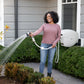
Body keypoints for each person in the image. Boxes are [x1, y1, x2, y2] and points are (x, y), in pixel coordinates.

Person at [29, 11, 61, 77]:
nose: (47, 18)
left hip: (52, 46)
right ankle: (40, 75)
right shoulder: (44, 25)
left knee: (50, 61)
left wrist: (55, 43)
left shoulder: (57, 26)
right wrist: (33, 34)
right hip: (44, 44)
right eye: (47, 17)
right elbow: (38, 31)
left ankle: (49, 75)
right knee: (42, 61)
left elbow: (59, 36)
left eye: (49, 16)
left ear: (53, 17)